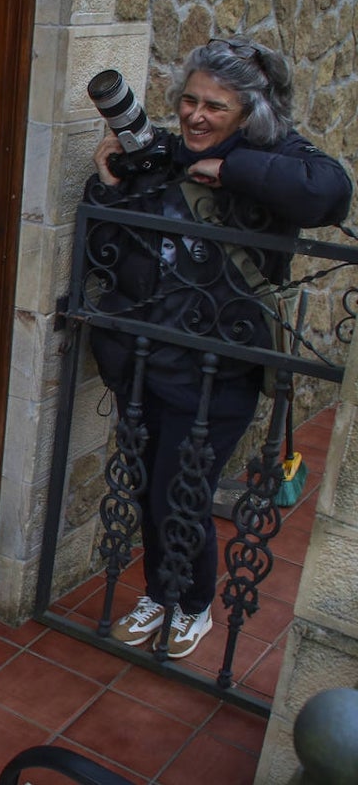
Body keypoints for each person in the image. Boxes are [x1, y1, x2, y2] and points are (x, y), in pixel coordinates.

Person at [83, 37, 352, 659]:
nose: (196, 116)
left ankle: (195, 603)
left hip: (219, 370)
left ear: (248, 113)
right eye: (189, 101)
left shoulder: (276, 159)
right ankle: (160, 592)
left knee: (184, 491)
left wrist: (229, 169)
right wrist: (109, 183)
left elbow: (329, 192)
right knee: (150, 484)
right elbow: (118, 246)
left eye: (216, 107)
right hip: (148, 359)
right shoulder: (169, 156)